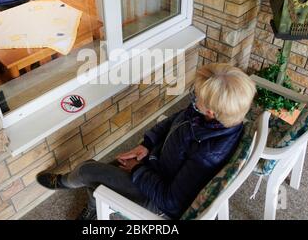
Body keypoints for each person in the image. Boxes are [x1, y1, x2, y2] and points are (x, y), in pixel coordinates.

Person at [36, 63, 257, 220]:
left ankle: (63, 182)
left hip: (158, 202)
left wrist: (138, 170)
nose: (193, 96)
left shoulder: (208, 152)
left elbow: (171, 201)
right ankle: (94, 208)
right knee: (101, 172)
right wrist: (147, 145)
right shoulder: (214, 116)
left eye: (196, 95)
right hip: (157, 166)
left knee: (87, 171)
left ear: (210, 110)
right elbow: (175, 121)